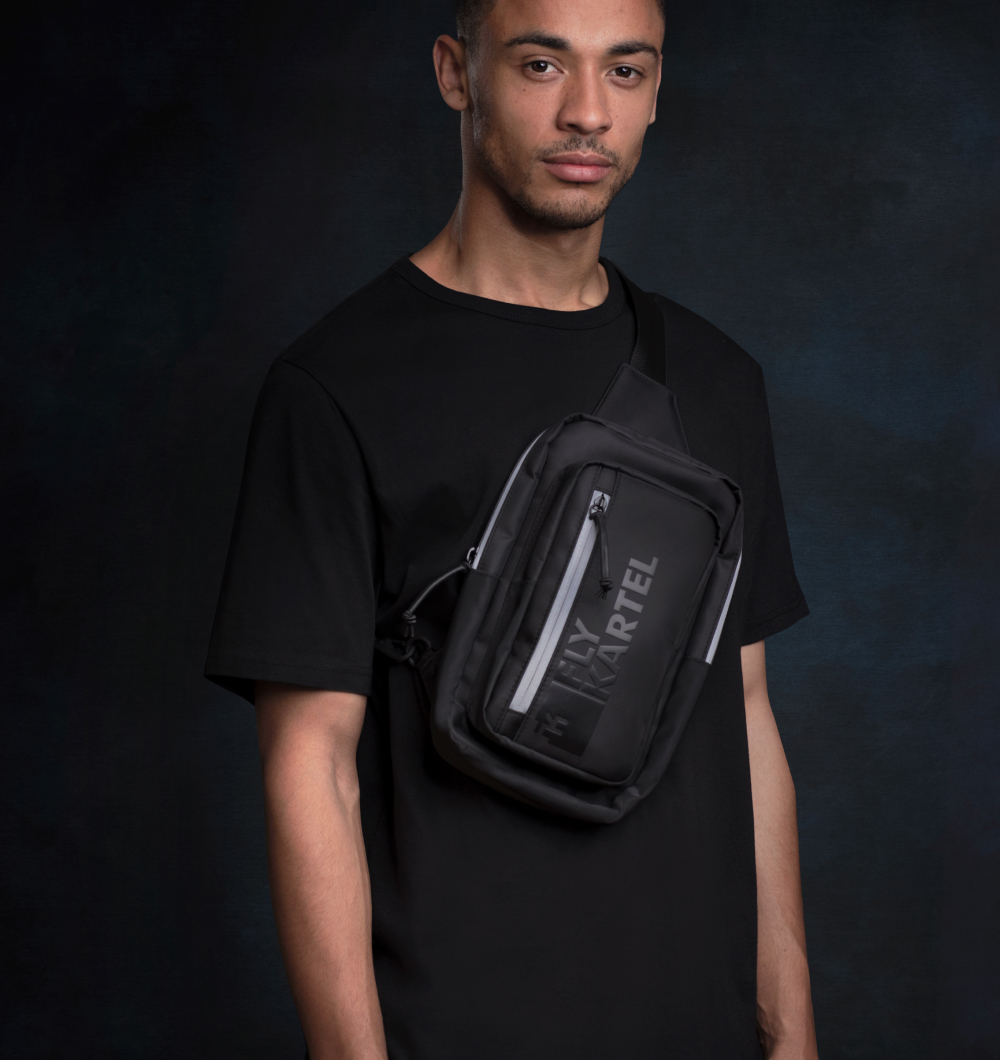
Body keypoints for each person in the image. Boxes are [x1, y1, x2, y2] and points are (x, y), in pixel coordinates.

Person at [206, 0, 819, 1056]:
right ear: (458, 74)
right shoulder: (338, 384)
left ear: (656, 93)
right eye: (541, 64)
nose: (587, 112)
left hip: (696, 1023)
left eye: (625, 71)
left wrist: (790, 1026)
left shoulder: (717, 378)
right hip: (462, 1022)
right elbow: (311, 764)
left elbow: (747, 712)